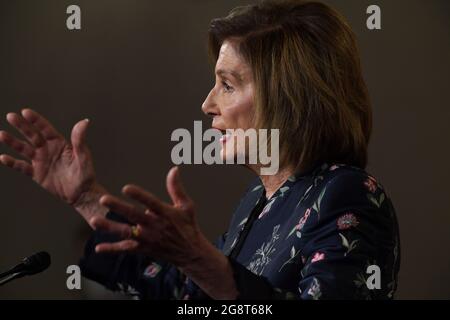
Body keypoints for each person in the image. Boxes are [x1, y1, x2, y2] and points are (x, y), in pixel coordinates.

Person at [0, 0, 400, 300]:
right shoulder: (257, 203)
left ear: (289, 99)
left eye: (227, 85)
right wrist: (86, 199)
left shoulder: (348, 196)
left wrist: (204, 264)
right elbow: (188, 294)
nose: (207, 104)